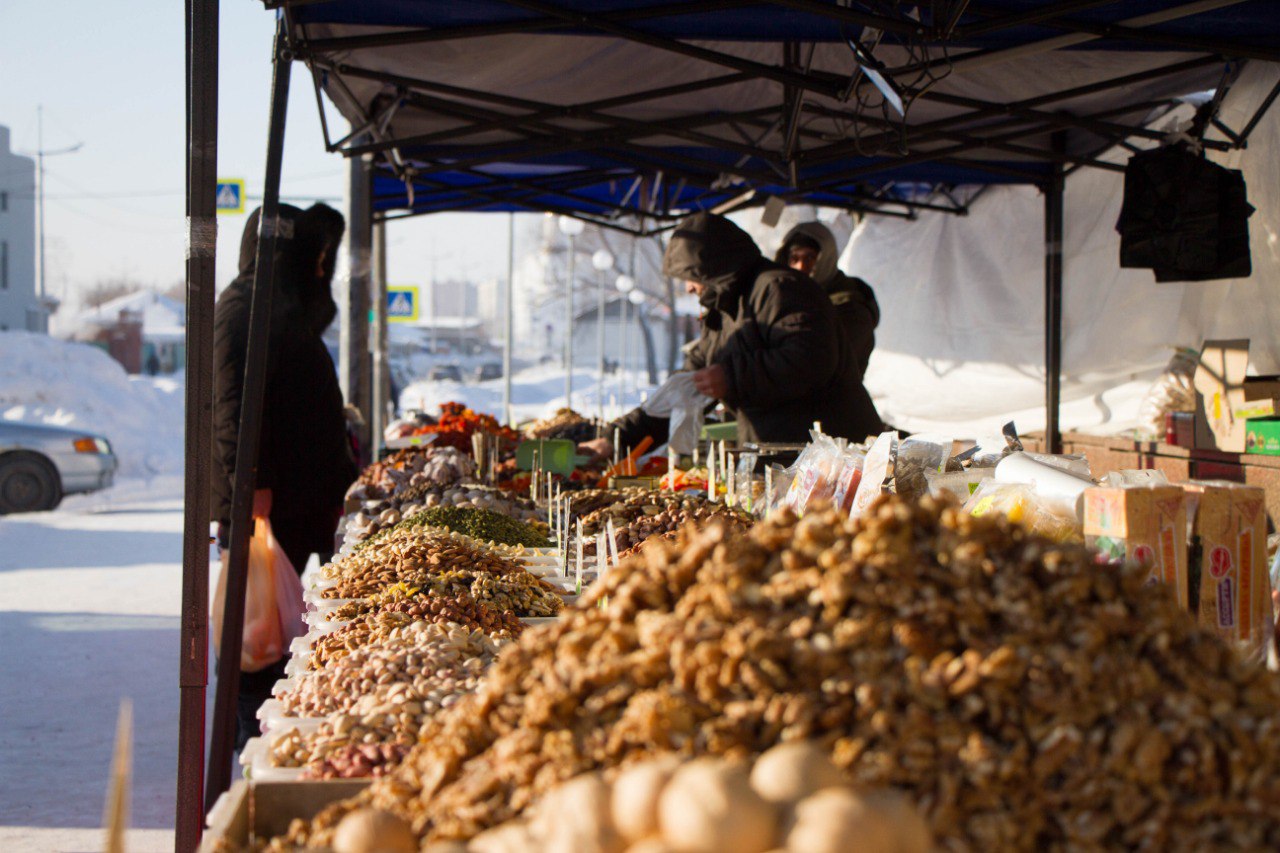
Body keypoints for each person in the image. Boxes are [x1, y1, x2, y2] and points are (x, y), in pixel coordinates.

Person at [211, 202, 359, 749]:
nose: (320, 270)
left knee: (276, 632)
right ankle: (253, 743)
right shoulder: (242, 308)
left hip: (295, 501)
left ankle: (266, 731)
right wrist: (252, 487)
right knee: (258, 635)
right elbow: (232, 412)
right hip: (268, 507)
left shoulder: (276, 305)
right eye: (313, 258)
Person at [582, 212, 879, 459]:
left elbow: (811, 360)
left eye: (691, 277)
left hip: (833, 455)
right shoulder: (722, 312)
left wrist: (730, 377)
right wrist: (617, 439)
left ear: (713, 268)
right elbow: (686, 387)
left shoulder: (780, 287)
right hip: (779, 456)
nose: (688, 288)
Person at [776, 221, 880, 382]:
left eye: (810, 257)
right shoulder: (796, 297)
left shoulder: (851, 308)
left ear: (826, 258)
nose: (801, 266)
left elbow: (816, 365)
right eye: (795, 258)